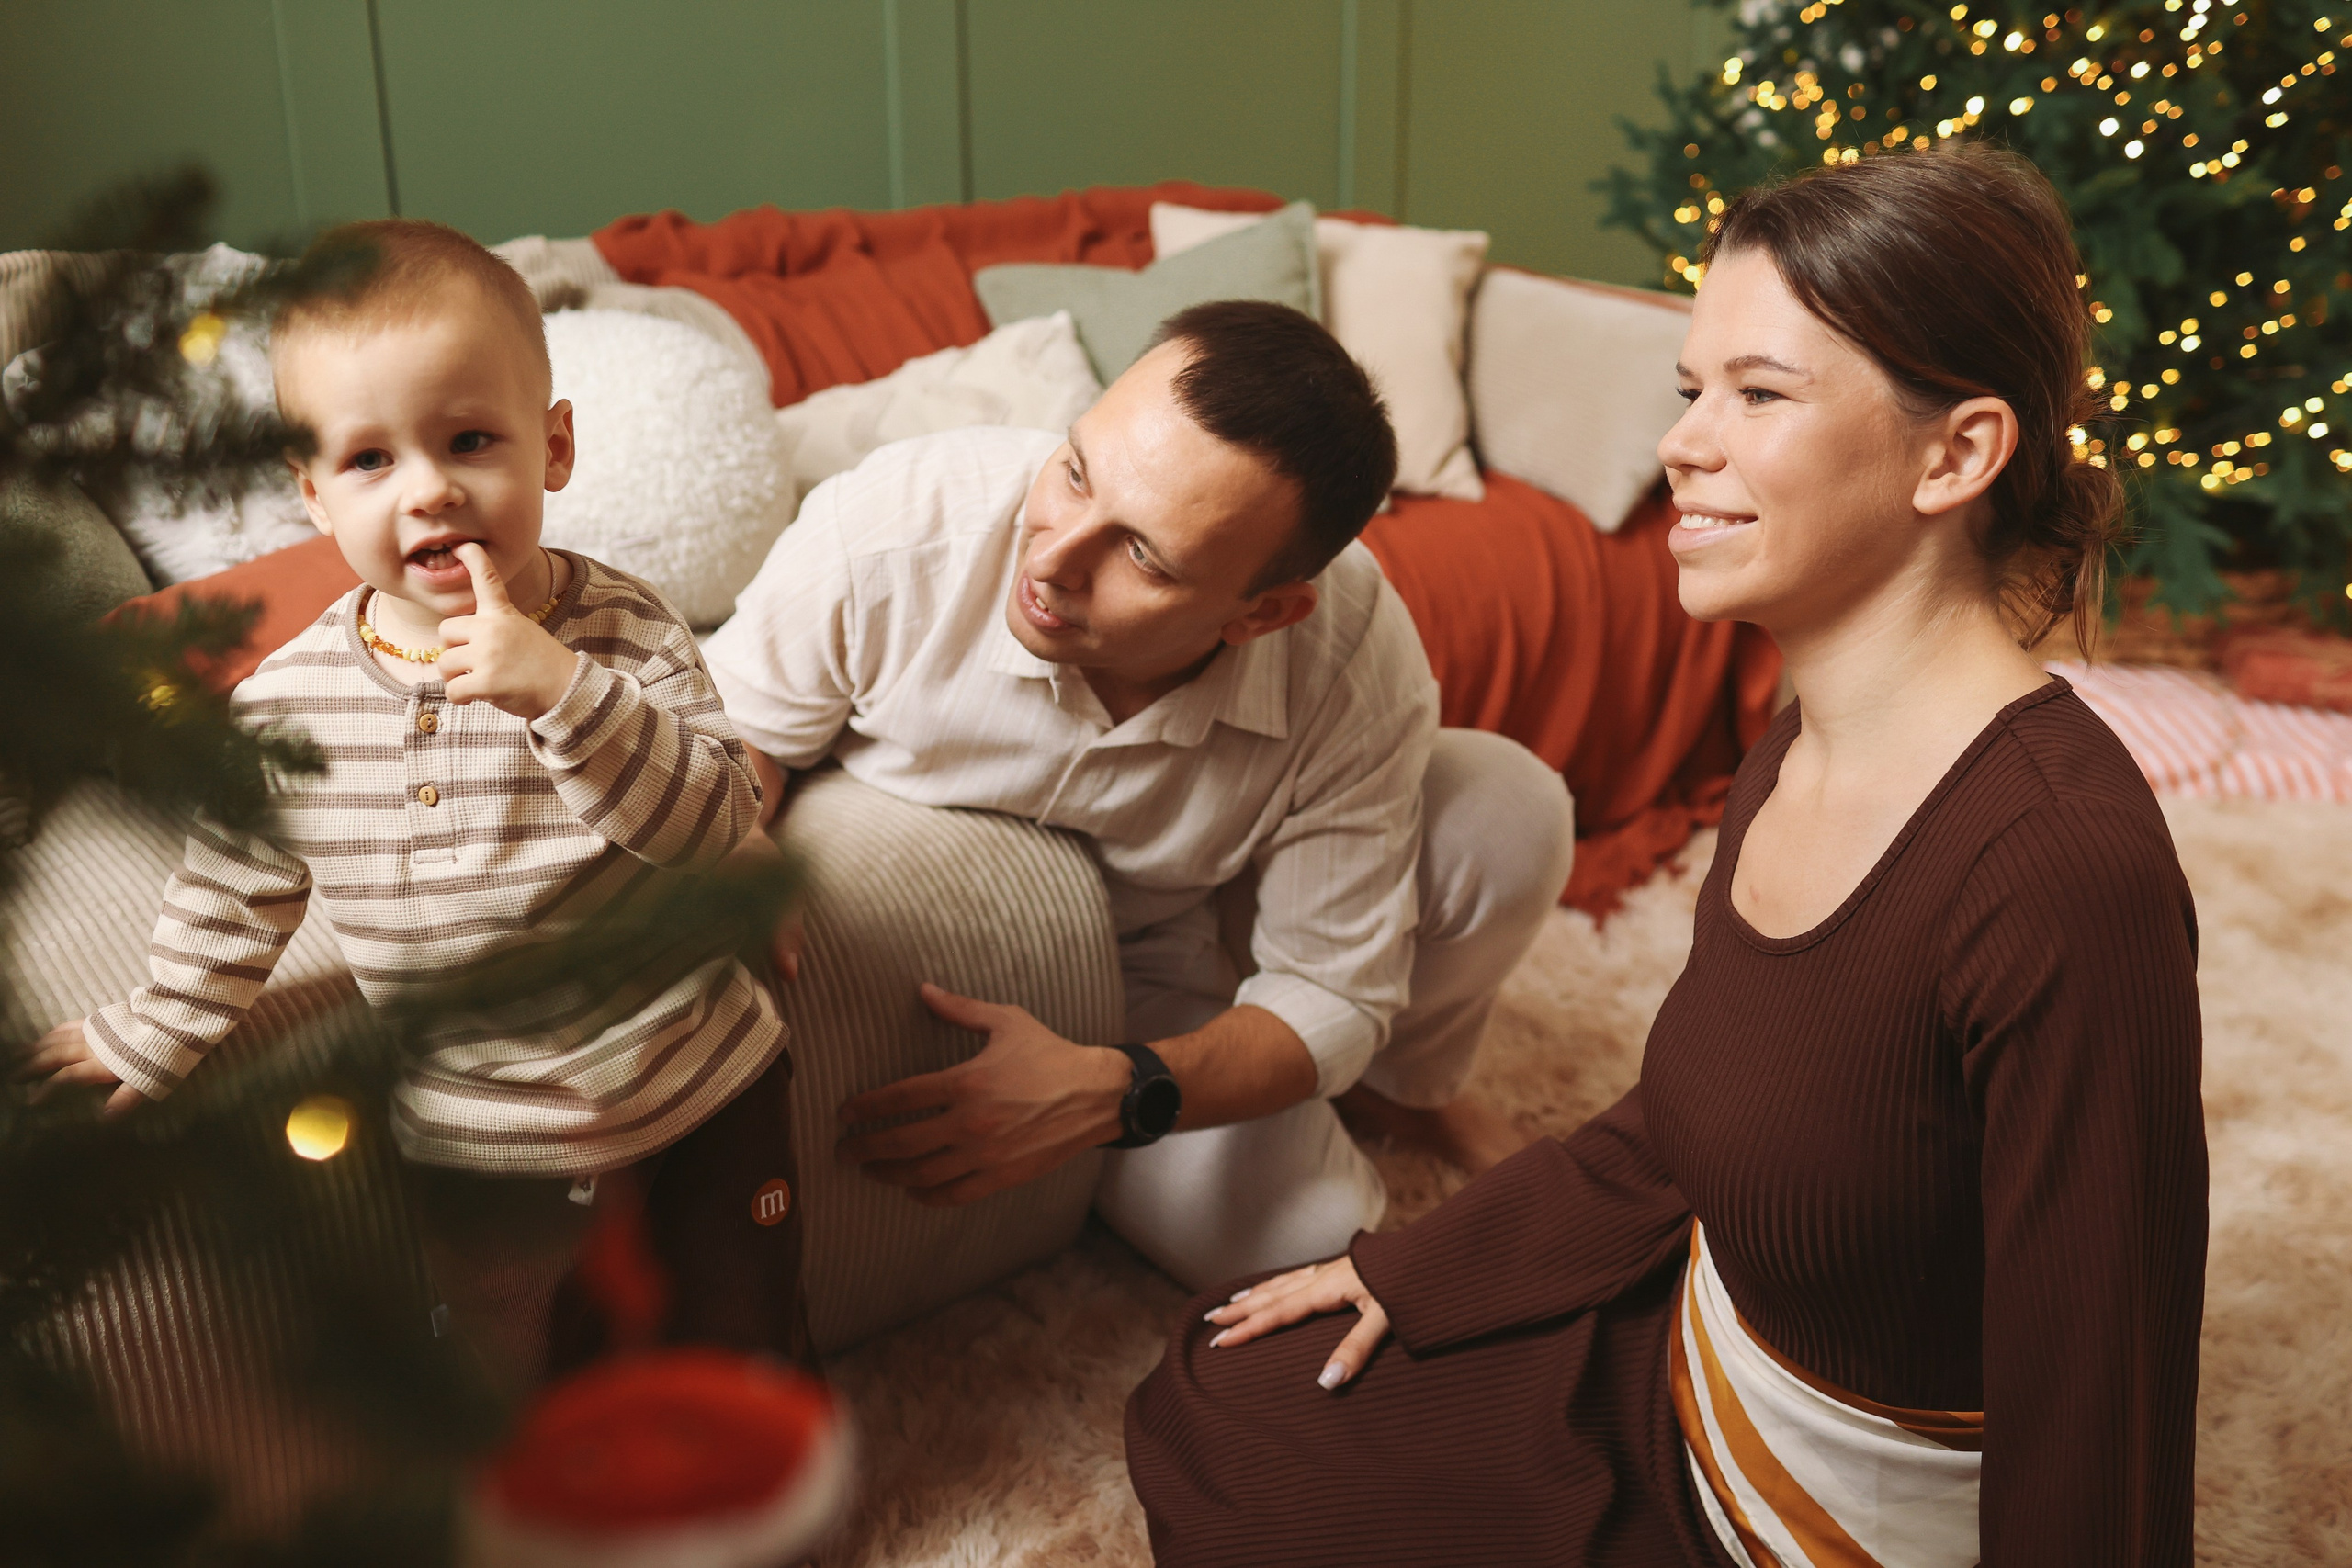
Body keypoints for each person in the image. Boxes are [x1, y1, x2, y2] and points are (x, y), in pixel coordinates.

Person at [1126, 145, 2206, 1567]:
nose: (1683, 443)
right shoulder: (1794, 741)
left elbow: (2102, 1396)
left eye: (1759, 393)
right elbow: (1688, 1117)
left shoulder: (2065, 870)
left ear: (1958, 453)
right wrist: (1417, 1271)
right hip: (1692, 1374)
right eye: (1692, 388)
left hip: (1823, 1523)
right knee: (1220, 1392)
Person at [21, 220, 808, 1389]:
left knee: (739, 1348)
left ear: (554, 449)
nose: (431, 490)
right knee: (503, 1377)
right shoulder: (289, 700)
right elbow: (235, 894)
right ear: (312, 496)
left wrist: (566, 695)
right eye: (370, 461)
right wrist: (156, 1029)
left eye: (470, 439)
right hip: (476, 1138)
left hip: (693, 1086)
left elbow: (710, 819)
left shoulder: (626, 634)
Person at [705, 300, 1577, 1291]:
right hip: (964, 939)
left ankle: (1404, 1093)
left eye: (1142, 556)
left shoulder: (1347, 651)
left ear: (1264, 613)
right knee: (1313, 1225)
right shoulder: (898, 522)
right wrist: (722, 827)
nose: (1053, 557)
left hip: (1182, 932)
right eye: (1075, 471)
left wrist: (1113, 1093)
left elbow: (1332, 989)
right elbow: (730, 732)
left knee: (1508, 814)